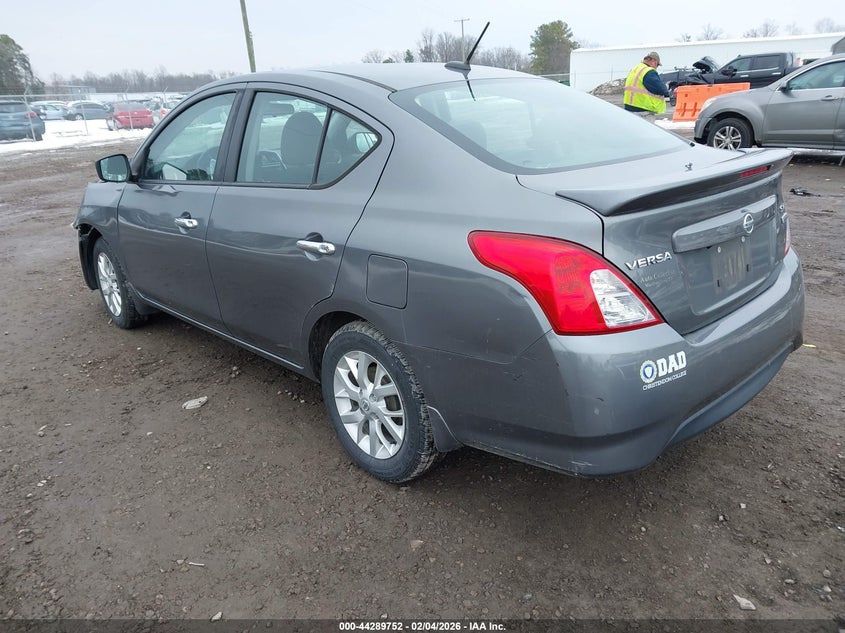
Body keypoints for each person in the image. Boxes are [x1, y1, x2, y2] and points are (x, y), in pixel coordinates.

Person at [623, 51, 671, 118]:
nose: (656, 67)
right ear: (653, 61)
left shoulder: (636, 68)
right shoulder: (648, 72)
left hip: (630, 107)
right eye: (657, 65)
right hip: (643, 110)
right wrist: (667, 87)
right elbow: (661, 89)